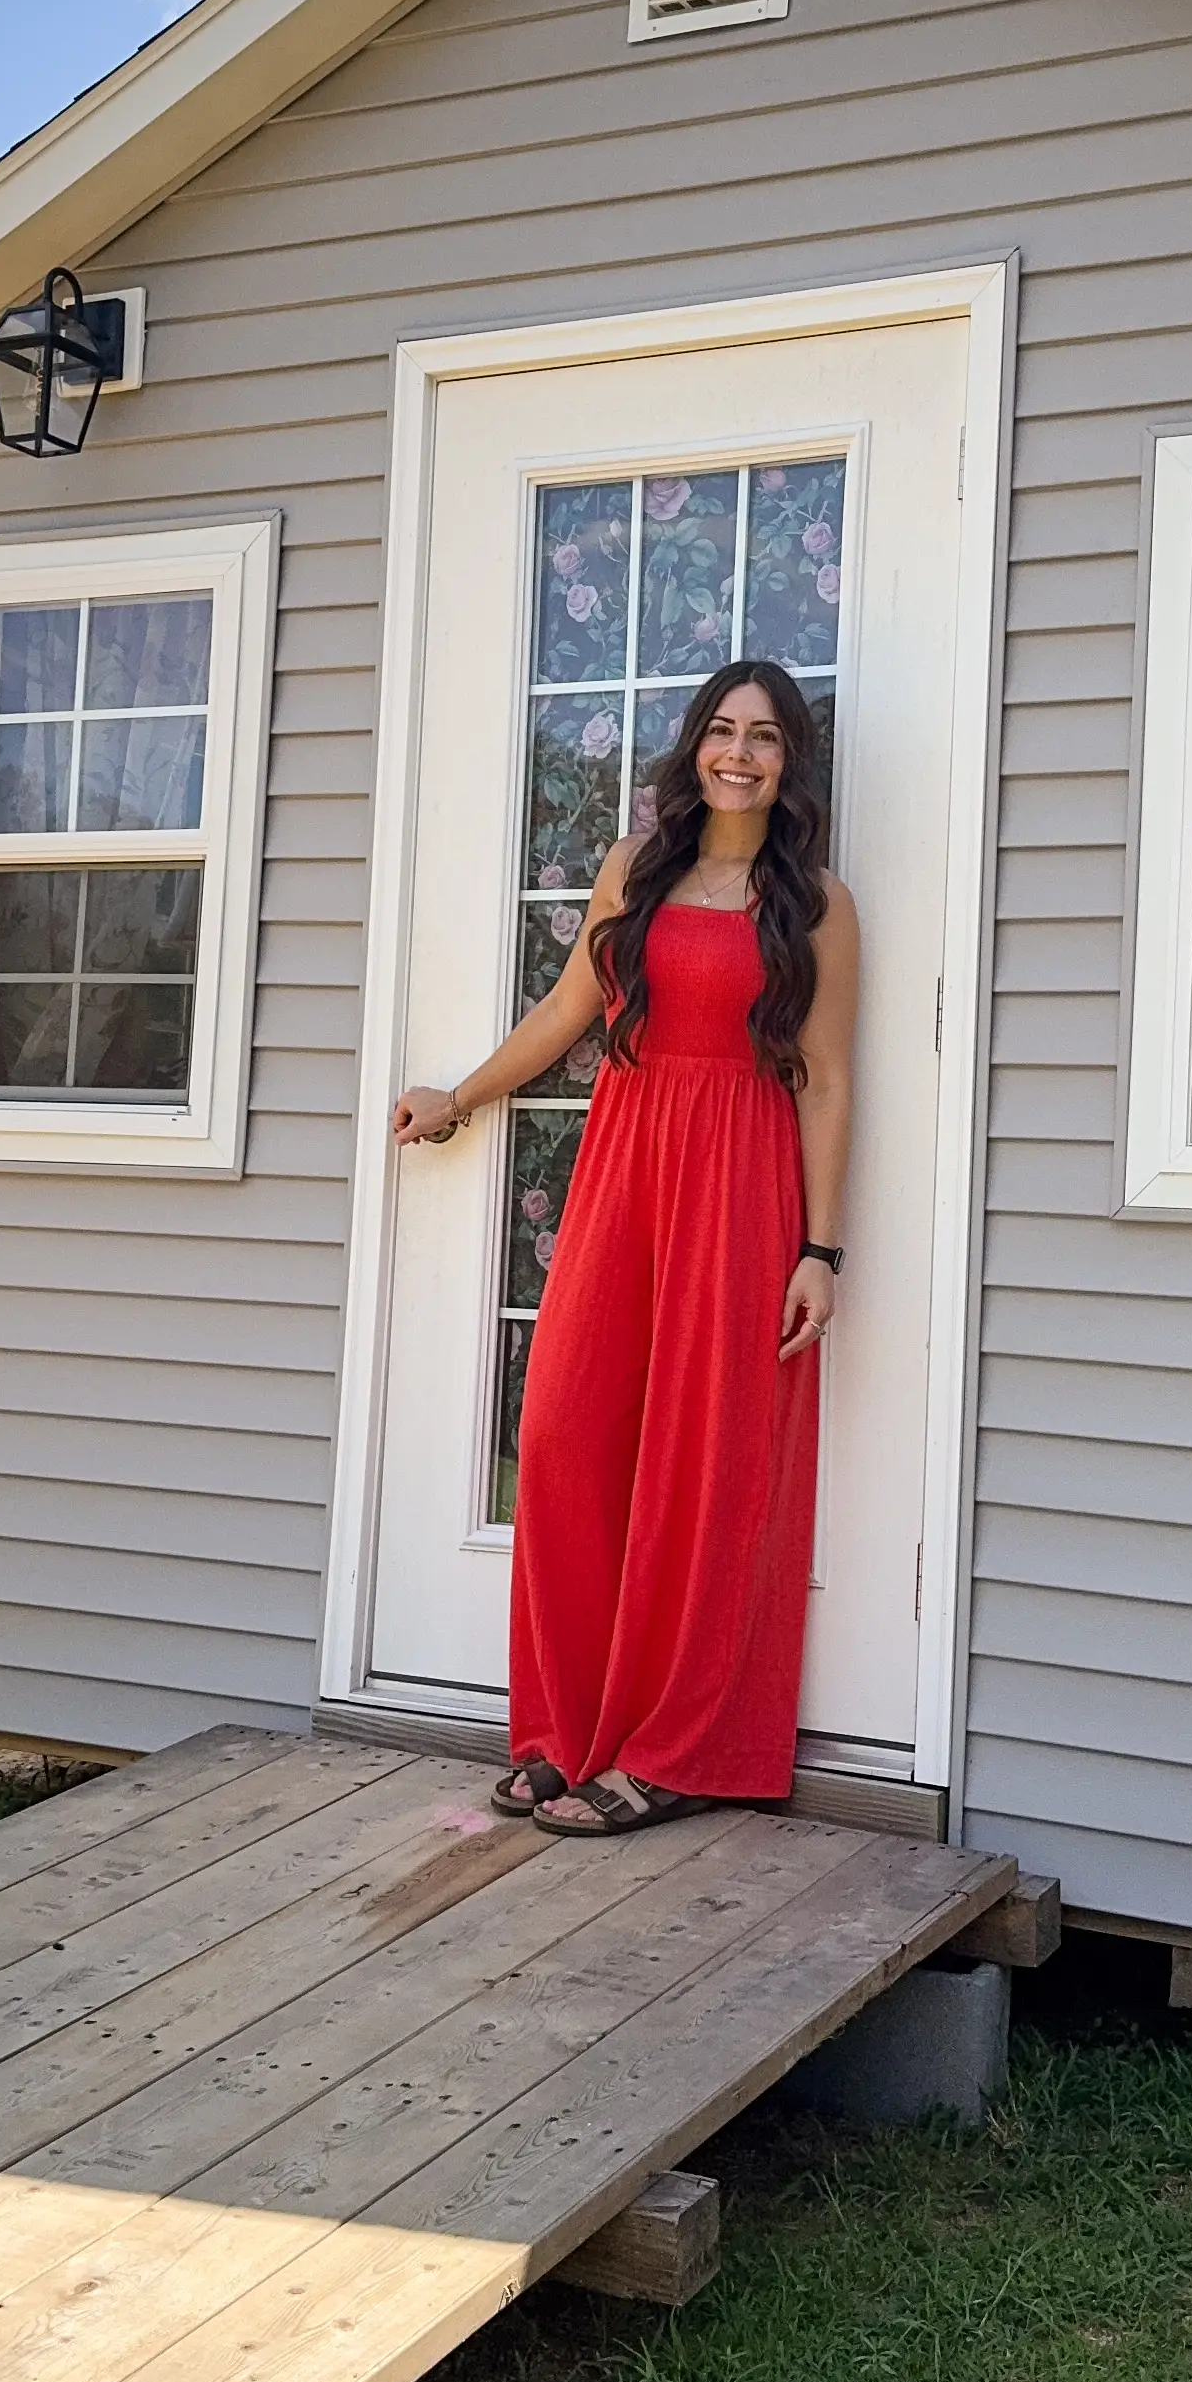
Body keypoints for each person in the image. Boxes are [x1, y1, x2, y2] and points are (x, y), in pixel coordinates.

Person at [391, 658, 858, 1832]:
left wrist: (822, 1250)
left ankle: (672, 1749)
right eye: (721, 730)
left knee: (705, 1468)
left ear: (789, 762)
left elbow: (829, 1079)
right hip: (628, 1161)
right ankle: (563, 1729)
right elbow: (567, 1011)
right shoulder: (636, 873)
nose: (738, 753)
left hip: (742, 1184)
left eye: (763, 736)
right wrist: (460, 1094)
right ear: (694, 746)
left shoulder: (818, 907)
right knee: (562, 1431)